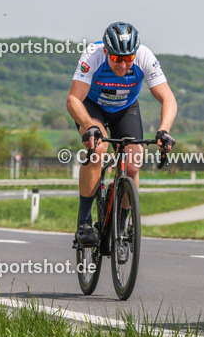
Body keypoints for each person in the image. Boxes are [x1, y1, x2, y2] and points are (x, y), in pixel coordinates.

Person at [68, 22, 177, 246]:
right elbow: (73, 99)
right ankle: (85, 222)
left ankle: (121, 227)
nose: (123, 63)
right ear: (106, 51)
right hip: (93, 107)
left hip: (125, 108)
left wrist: (164, 130)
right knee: (98, 148)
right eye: (117, 58)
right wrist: (89, 125)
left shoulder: (145, 56)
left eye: (128, 58)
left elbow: (168, 98)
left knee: (133, 163)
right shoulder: (93, 55)